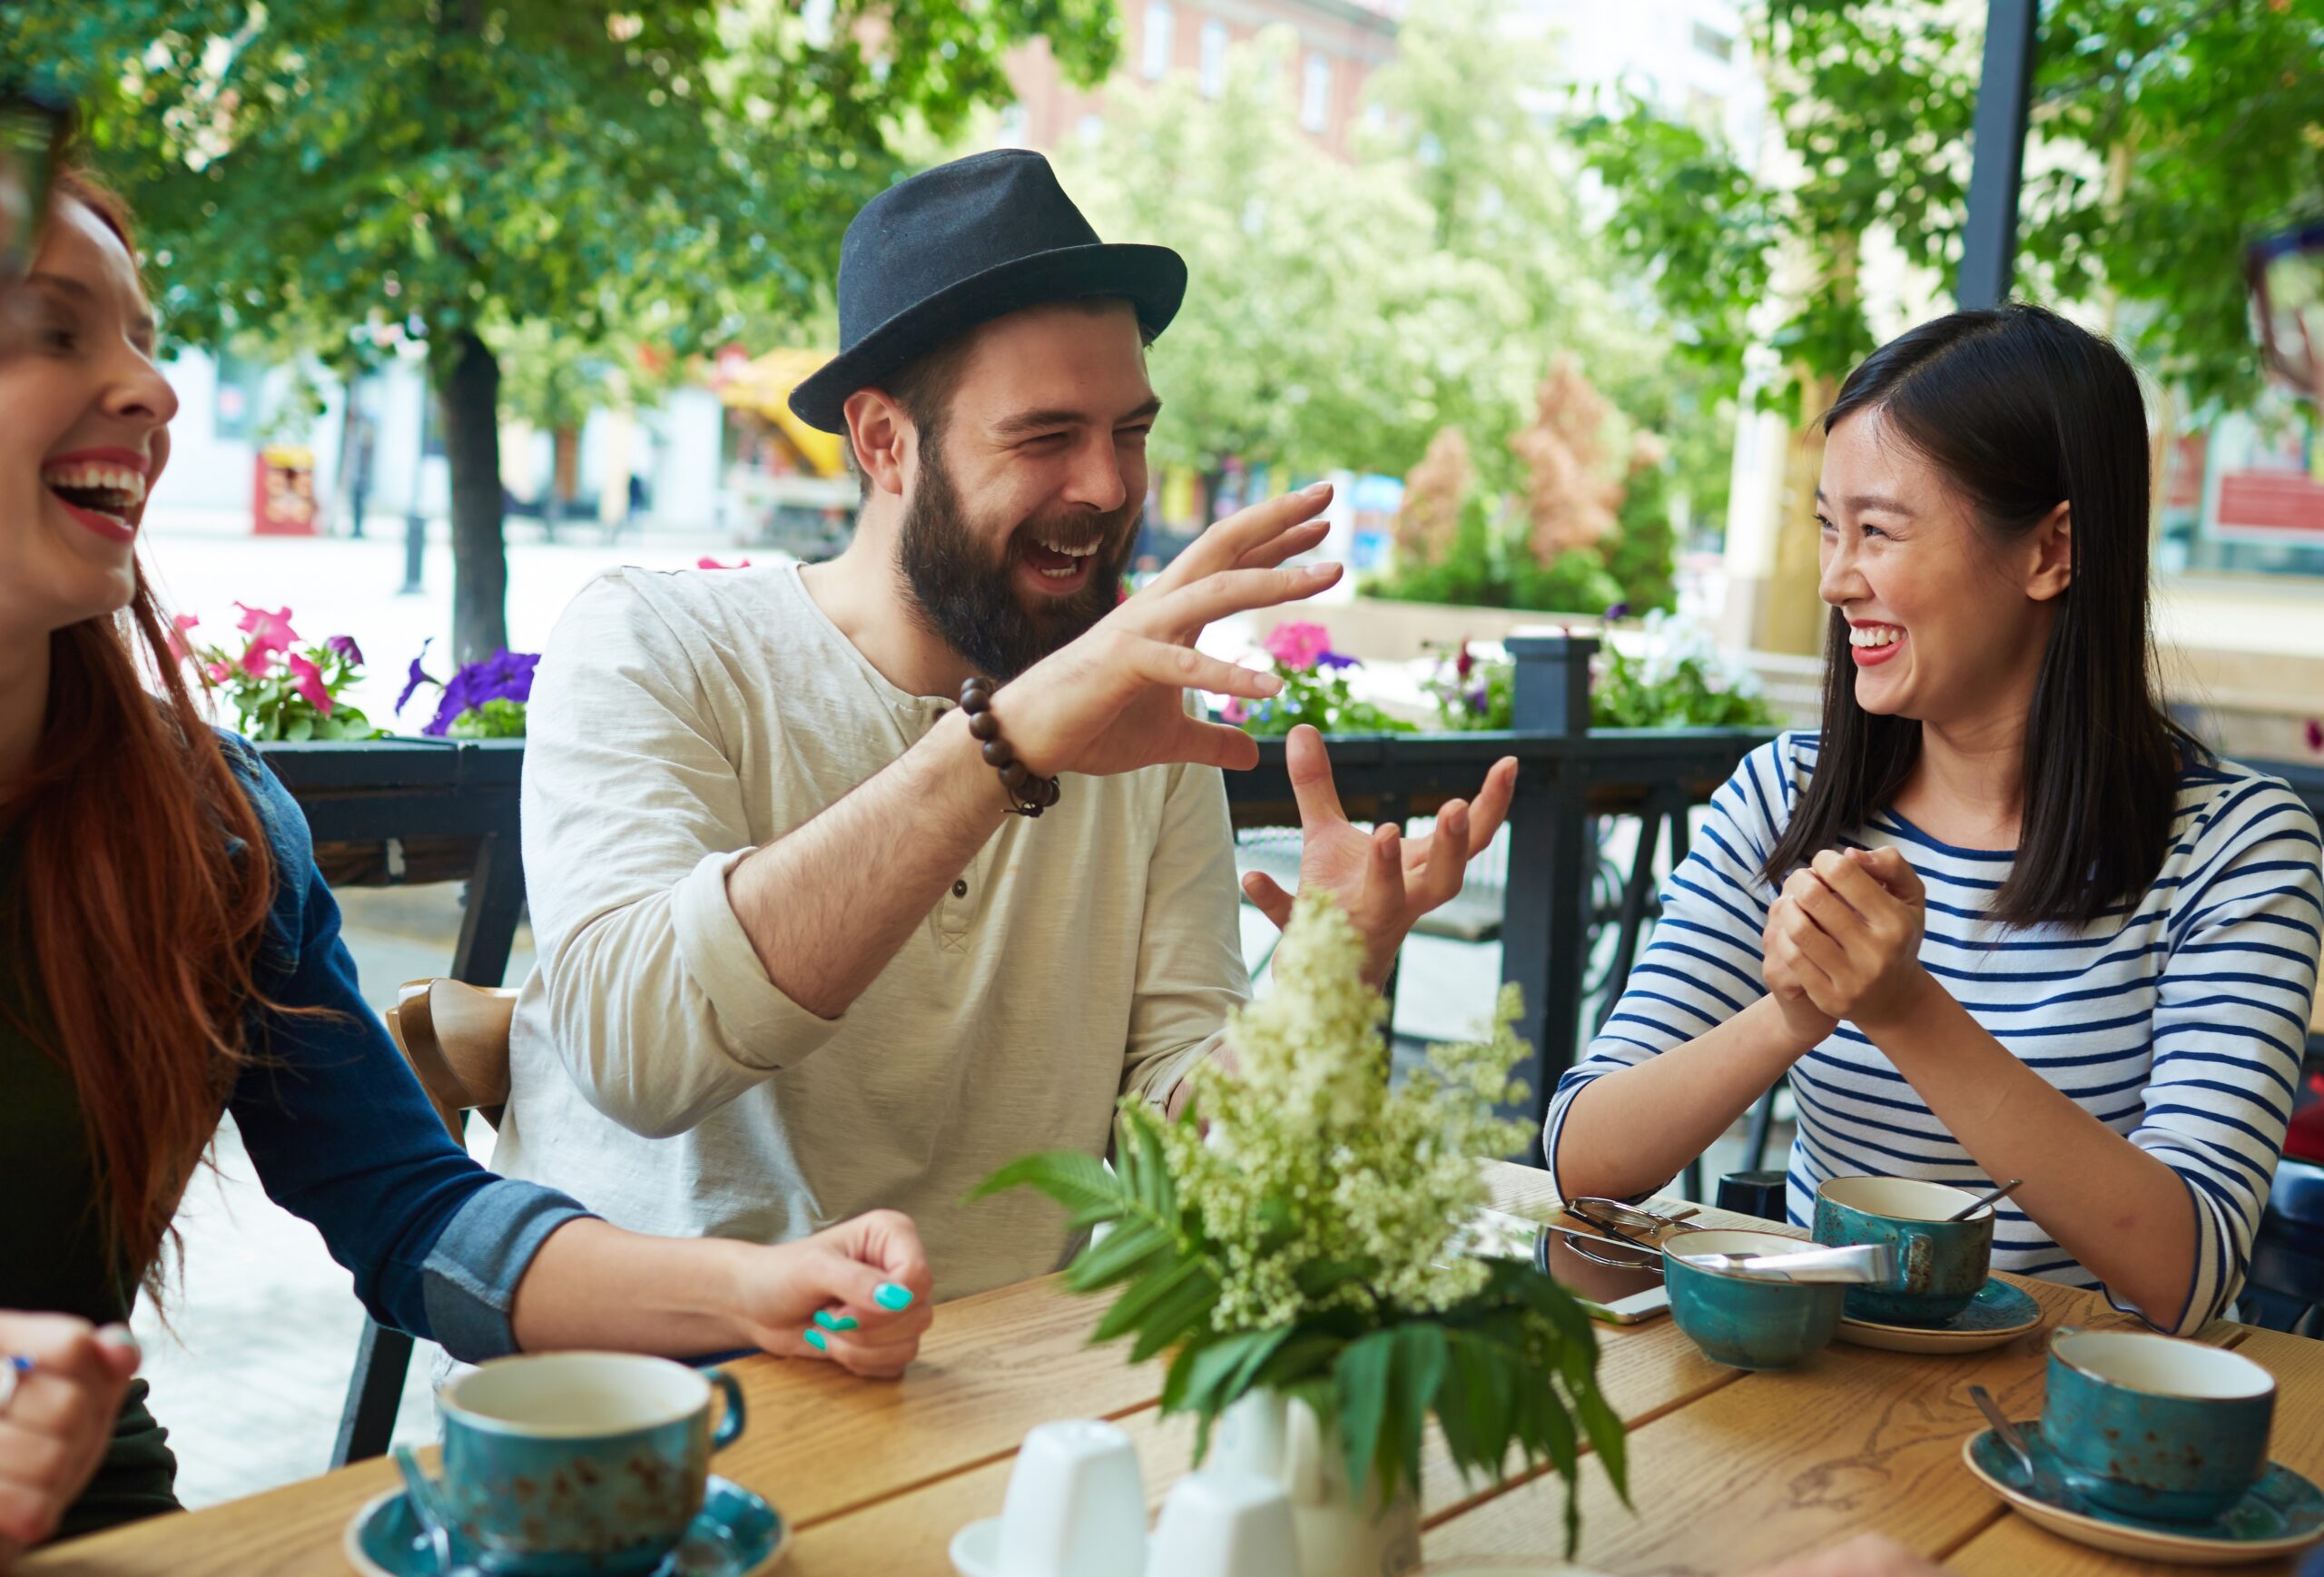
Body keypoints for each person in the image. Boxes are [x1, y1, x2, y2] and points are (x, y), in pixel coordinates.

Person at [0, 166, 935, 1563]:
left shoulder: (207, 825)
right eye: (55, 330)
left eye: (143, 335)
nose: (153, 389)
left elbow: (412, 1210)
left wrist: (750, 1290)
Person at [489, 149, 1518, 1297]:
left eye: (1129, 432)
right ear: (883, 443)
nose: (1108, 487)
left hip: (1005, 1382)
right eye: (1045, 437)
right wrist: (1006, 748)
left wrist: (1331, 978)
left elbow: (1191, 1163)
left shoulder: (1140, 710)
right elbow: (638, 1059)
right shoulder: (655, 643)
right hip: (659, 1384)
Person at [1548, 304, 2322, 1335]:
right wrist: (1797, 1009)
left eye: (1877, 530)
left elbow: (2189, 1272)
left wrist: (1904, 1008)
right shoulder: (1786, 797)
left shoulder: (2235, 848)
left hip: (2069, 1411)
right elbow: (1583, 1159)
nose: (1835, 580)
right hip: (1800, 1384)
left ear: (2051, 550)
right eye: (1829, 528)